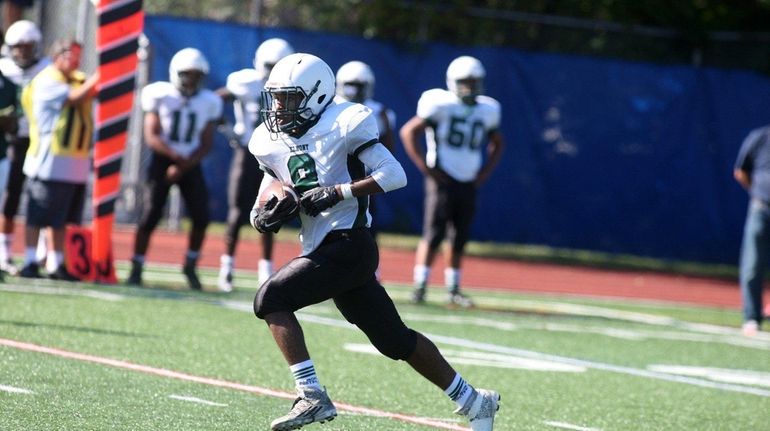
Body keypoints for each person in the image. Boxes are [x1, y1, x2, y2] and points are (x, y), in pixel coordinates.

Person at [249, 52, 500, 431]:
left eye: (290, 98)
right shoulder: (269, 139)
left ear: (317, 96)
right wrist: (262, 214)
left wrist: (339, 192)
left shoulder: (345, 121)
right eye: (278, 98)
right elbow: (270, 184)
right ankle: (473, 400)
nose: (280, 108)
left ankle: (311, 395)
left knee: (271, 298)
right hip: (324, 248)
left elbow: (394, 174)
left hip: (350, 243)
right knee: (394, 341)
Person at [401, 55, 505, 308]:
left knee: (460, 235)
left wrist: (484, 172)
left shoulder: (488, 108)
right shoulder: (440, 104)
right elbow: (408, 131)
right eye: (464, 82)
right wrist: (426, 168)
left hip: (468, 177)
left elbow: (497, 142)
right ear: (453, 82)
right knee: (434, 233)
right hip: (443, 175)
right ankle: (420, 286)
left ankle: (453, 288)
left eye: (474, 82)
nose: (469, 87)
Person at [126, 47, 222, 290]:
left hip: (191, 160)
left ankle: (190, 265)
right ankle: (136, 267)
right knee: (149, 215)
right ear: (176, 73)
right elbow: (152, 135)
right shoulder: (159, 94)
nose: (191, 80)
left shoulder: (209, 101)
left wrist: (183, 165)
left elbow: (207, 142)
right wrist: (175, 160)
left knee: (201, 217)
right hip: (163, 159)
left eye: (196, 75)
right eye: (187, 74)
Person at [215, 38, 294, 292]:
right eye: (270, 65)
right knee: (237, 211)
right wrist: (229, 130)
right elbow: (214, 100)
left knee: (272, 210)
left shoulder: (293, 86)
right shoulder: (245, 82)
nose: (272, 71)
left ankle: (265, 272)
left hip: (276, 156)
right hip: (247, 153)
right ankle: (226, 269)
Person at [18, 38, 97, 279]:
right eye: (70, 54)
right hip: (48, 162)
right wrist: (103, 73)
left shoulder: (74, 78)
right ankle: (30, 261)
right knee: (38, 215)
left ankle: (55, 263)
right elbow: (75, 97)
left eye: (78, 55)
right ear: (57, 55)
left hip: (73, 165)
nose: (75, 60)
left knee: (61, 219)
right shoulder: (47, 79)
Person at [0, 19, 49, 274]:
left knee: (40, 197)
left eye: (28, 47)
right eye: (18, 47)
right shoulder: (3, 69)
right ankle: (5, 252)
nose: (22, 53)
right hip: (13, 142)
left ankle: (40, 252)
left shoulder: (47, 69)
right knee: (11, 194)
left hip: (42, 141)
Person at [335, 60, 396, 257]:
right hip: (336, 176)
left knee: (368, 225)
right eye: (350, 85)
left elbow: (388, 149)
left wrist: (378, 175)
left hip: (365, 178)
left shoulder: (380, 113)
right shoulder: (331, 109)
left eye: (359, 86)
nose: (354, 91)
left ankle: (370, 267)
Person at [733, 125, 770, 336]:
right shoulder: (759, 137)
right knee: (753, 264)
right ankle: (751, 317)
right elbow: (740, 171)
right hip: (762, 209)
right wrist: (759, 194)